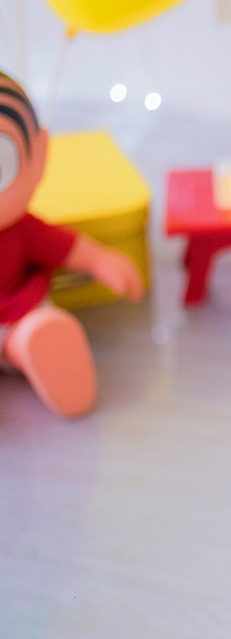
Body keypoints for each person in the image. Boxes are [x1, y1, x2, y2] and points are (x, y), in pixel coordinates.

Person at [0, 72, 143, 417]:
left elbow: (67, 246)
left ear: (39, 155)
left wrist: (101, 260)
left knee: (38, 330)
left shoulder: (24, 229)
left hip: (19, 312)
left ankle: (41, 346)